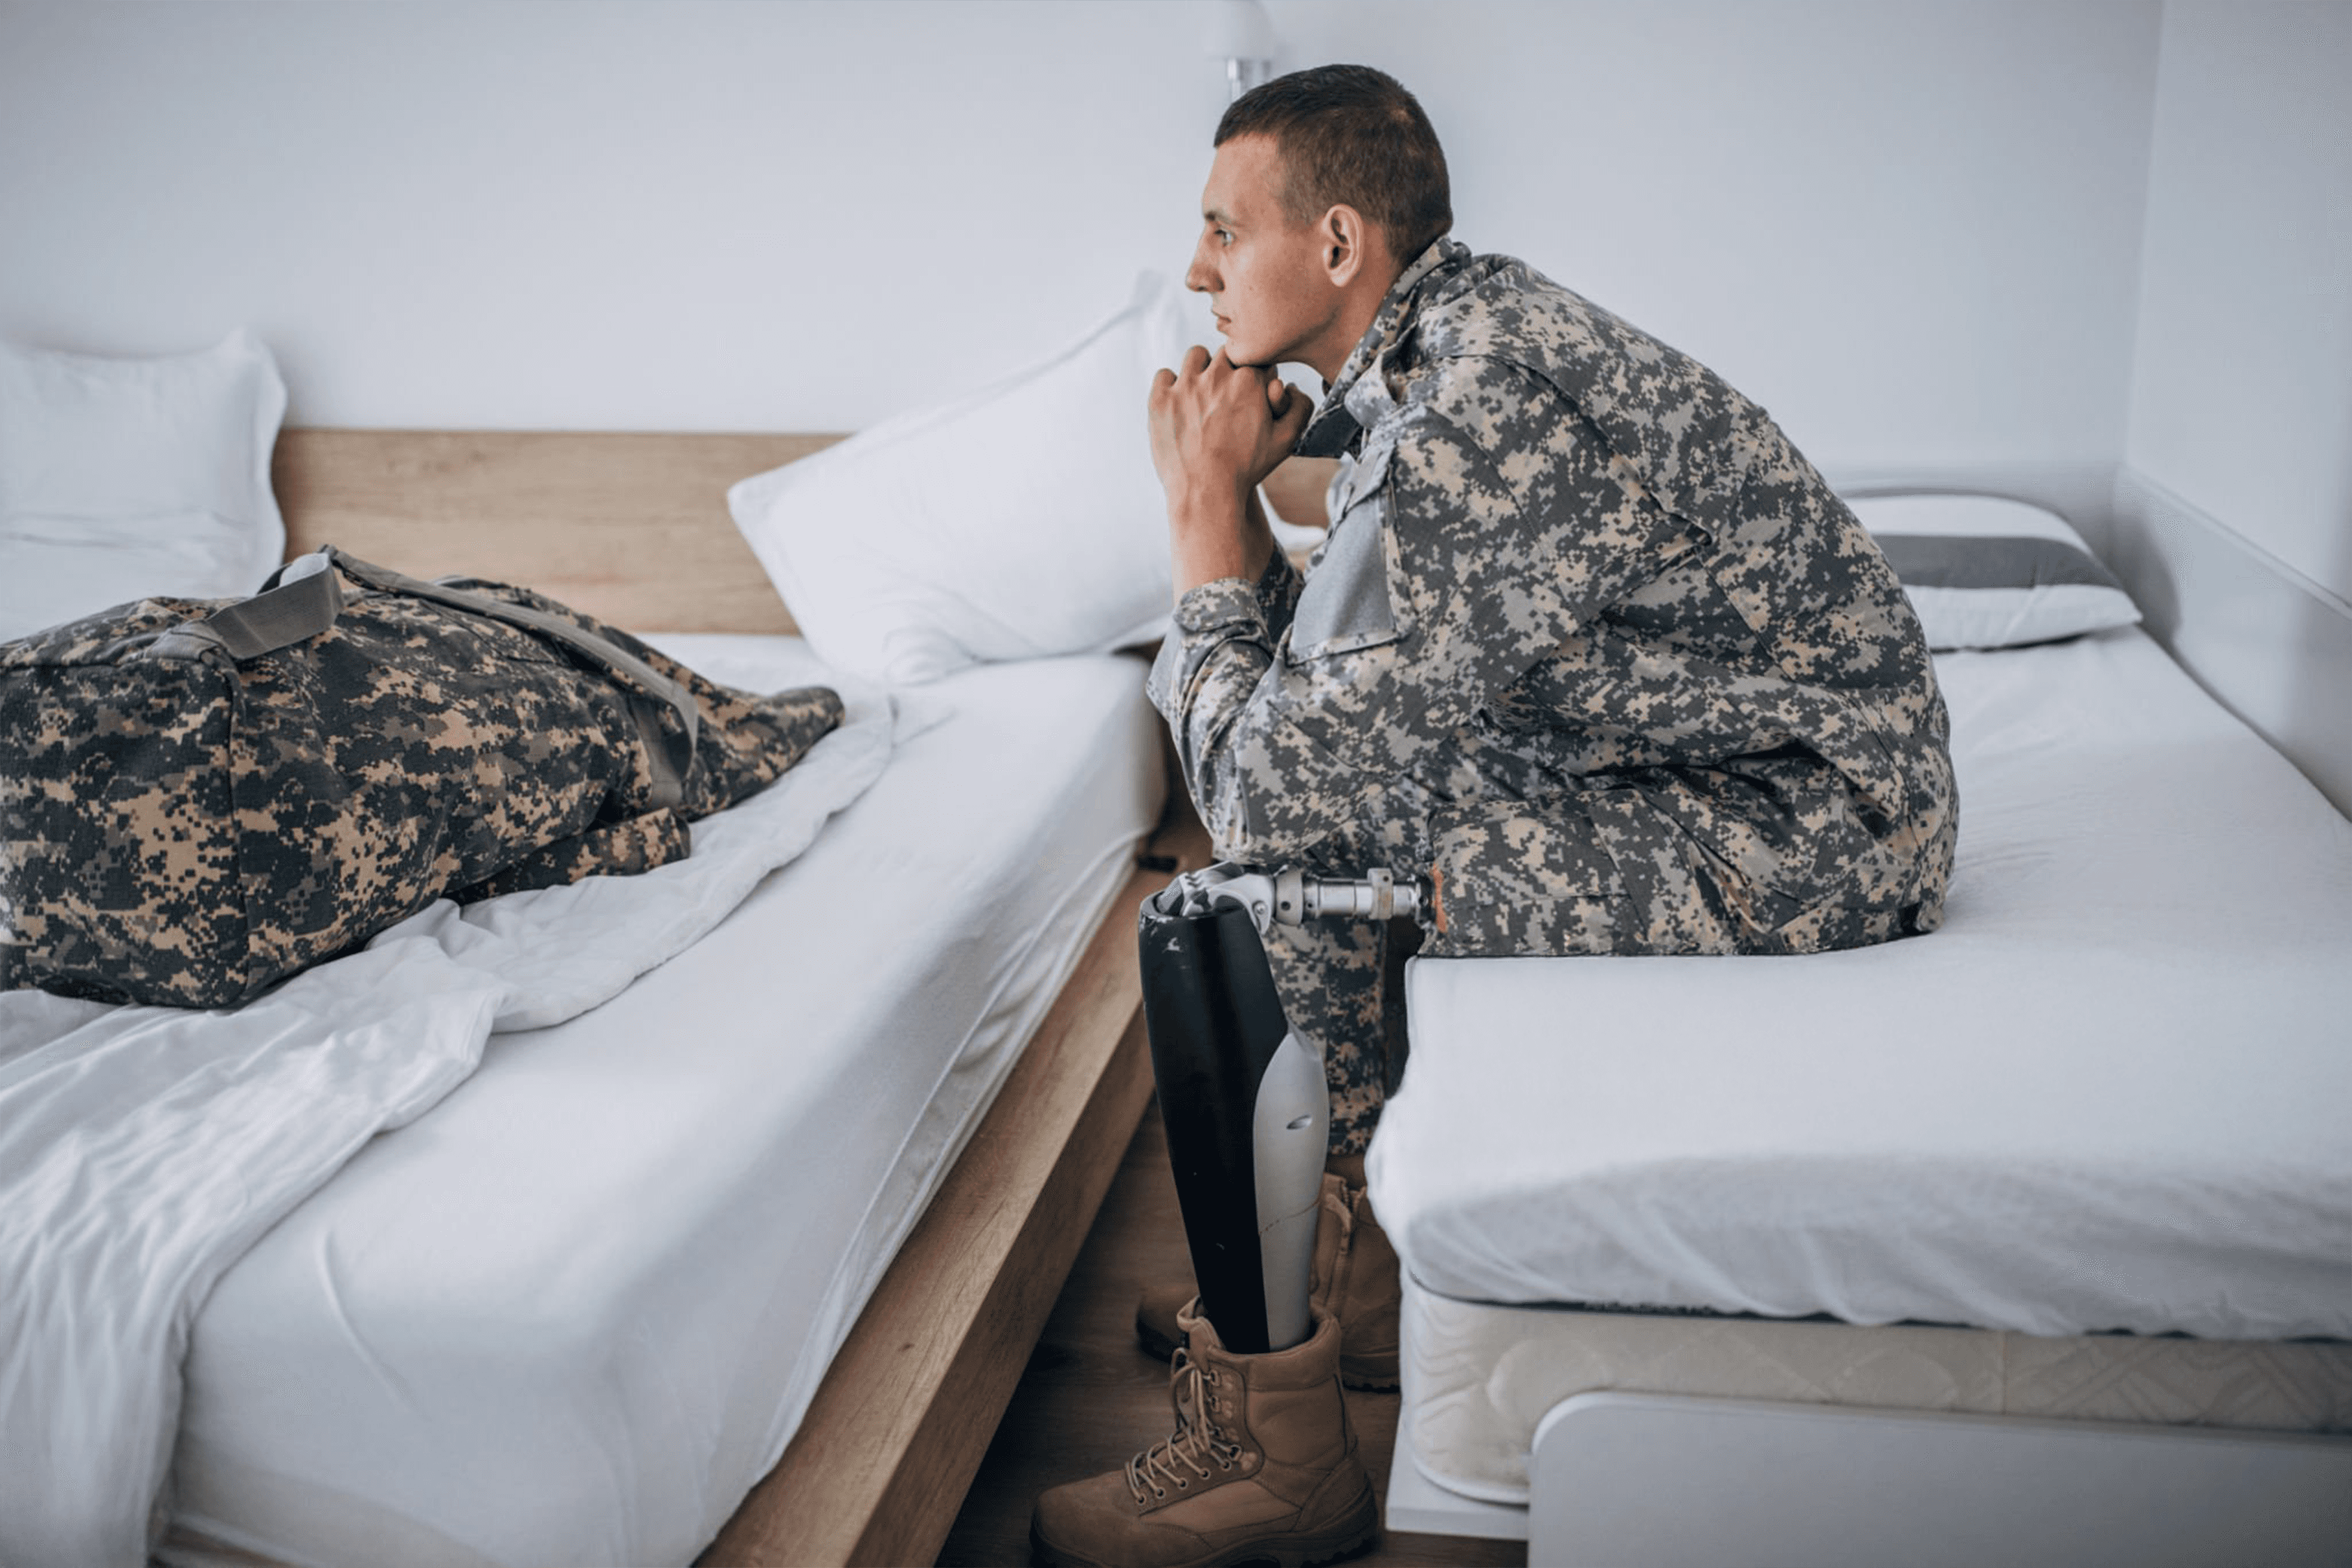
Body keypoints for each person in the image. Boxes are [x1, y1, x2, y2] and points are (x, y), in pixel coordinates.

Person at [1030, 65, 1955, 1567]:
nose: (1195, 269)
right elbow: (1332, 715)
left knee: (1278, 885)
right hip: (1692, 760)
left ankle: (1278, 1449)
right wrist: (1252, 527)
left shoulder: (1474, 412)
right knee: (1335, 818)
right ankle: (1350, 1278)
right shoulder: (1431, 359)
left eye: (1220, 229)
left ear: (1337, 247)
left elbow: (1265, 791)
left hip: (1812, 820)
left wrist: (1204, 523)